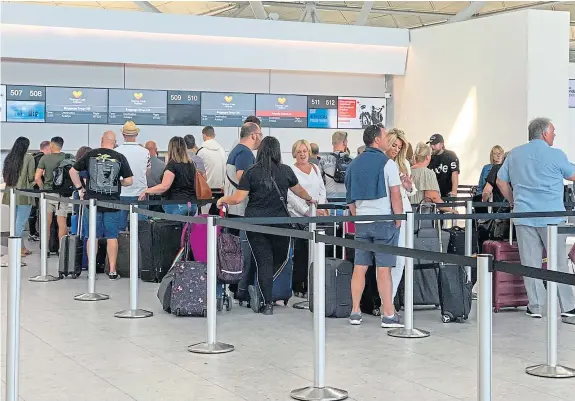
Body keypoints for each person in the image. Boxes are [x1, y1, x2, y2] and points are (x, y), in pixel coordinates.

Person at [217, 136, 315, 315]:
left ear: (260, 150)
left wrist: (223, 199)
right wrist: (310, 199)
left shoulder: (251, 172)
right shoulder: (285, 171)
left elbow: (238, 198)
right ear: (278, 151)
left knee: (264, 262)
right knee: (280, 260)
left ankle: (267, 303)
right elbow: (297, 189)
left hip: (256, 225)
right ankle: (263, 293)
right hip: (281, 225)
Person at [497, 117, 575, 319]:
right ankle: (567, 307)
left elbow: (500, 182)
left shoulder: (514, 154)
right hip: (552, 217)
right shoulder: (556, 154)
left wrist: (514, 201)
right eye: (553, 132)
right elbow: (572, 175)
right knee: (557, 263)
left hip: (524, 215)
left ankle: (536, 306)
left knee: (530, 263)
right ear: (544, 134)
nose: (555, 135)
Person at [345, 124, 404, 328]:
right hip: (384, 222)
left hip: (361, 222)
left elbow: (350, 199)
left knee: (359, 268)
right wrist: (398, 218)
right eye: (385, 135)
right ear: (377, 140)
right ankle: (388, 314)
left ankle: (355, 312)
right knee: (383, 269)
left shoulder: (353, 164)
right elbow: (395, 194)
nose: (388, 138)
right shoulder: (387, 164)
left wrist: (357, 216)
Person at [69, 131, 133, 280]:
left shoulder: (91, 155)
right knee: (112, 237)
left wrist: (80, 189)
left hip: (93, 202)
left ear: (101, 140)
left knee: (93, 236)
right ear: (115, 142)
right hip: (112, 203)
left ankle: (91, 269)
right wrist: (118, 182)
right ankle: (112, 270)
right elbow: (129, 181)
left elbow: (73, 171)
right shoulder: (120, 157)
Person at [287, 139, 327, 297]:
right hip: (298, 217)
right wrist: (307, 211)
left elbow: (322, 189)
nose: (302, 154)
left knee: (316, 251)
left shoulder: (316, 168)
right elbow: (291, 195)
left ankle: (314, 283)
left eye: (305, 151)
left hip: (316, 216)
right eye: (299, 151)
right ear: (294, 154)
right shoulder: (291, 170)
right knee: (301, 252)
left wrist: (320, 208)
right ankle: (299, 285)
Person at [385, 129, 417, 298]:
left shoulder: (404, 163)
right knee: (386, 259)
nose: (396, 149)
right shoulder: (382, 162)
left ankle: (390, 298)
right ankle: (384, 300)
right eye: (394, 145)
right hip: (387, 213)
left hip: (404, 212)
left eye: (399, 146)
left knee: (402, 259)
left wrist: (408, 185)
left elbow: (412, 191)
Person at [139, 137, 198, 216]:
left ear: (171, 148)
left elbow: (164, 186)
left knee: (174, 227)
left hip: (176, 204)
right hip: (192, 204)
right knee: (187, 228)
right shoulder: (191, 164)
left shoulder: (172, 165)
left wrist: (147, 190)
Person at [34, 136, 73, 246]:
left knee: (46, 222)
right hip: (62, 194)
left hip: (47, 194)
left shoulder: (45, 158)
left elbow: (37, 177)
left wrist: (43, 189)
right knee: (62, 222)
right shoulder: (68, 157)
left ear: (52, 145)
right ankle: (62, 250)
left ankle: (45, 248)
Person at [2, 137, 35, 256]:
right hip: (23, 193)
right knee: (20, 222)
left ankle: (21, 247)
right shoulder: (29, 157)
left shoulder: (9, 158)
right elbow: (31, 176)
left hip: (10, 192)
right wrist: (35, 182)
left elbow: (5, 174)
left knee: (15, 221)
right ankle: (16, 248)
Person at [115, 121, 150, 229]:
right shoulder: (145, 152)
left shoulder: (116, 152)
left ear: (123, 135)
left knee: (119, 229)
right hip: (140, 194)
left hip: (121, 194)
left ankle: (122, 246)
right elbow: (147, 172)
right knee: (142, 228)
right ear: (136, 134)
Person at [224, 122, 261, 218]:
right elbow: (242, 177)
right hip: (240, 208)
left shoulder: (238, 150)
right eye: (260, 135)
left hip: (234, 207)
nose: (261, 138)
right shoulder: (245, 153)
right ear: (253, 135)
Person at [409, 142, 458, 213]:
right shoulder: (428, 173)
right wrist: (451, 210)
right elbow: (433, 197)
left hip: (408, 214)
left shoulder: (408, 171)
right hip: (423, 215)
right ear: (428, 157)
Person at [196, 126, 226, 214]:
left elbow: (197, 173)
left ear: (203, 135)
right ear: (214, 135)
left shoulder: (201, 152)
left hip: (205, 192)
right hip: (220, 192)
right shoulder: (222, 151)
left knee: (204, 220)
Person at [27, 140, 51, 242]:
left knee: (32, 211)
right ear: (47, 148)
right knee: (42, 212)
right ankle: (41, 233)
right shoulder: (44, 158)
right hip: (38, 189)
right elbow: (40, 176)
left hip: (30, 188)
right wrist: (43, 189)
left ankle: (32, 232)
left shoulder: (33, 156)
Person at [319, 131, 352, 198]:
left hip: (329, 202)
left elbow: (319, 183)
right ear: (345, 143)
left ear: (332, 143)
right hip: (347, 202)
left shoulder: (323, 161)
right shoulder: (352, 161)